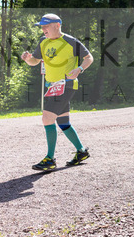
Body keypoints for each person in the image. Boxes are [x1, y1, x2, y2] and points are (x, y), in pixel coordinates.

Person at [21, 13, 93, 172]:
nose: (43, 29)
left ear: (57, 25)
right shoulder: (43, 41)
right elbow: (35, 61)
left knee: (47, 117)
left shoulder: (71, 41)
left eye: (46, 26)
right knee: (63, 122)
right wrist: (27, 59)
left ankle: (50, 159)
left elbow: (89, 58)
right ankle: (81, 151)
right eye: (42, 27)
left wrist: (79, 69)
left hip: (66, 85)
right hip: (52, 87)